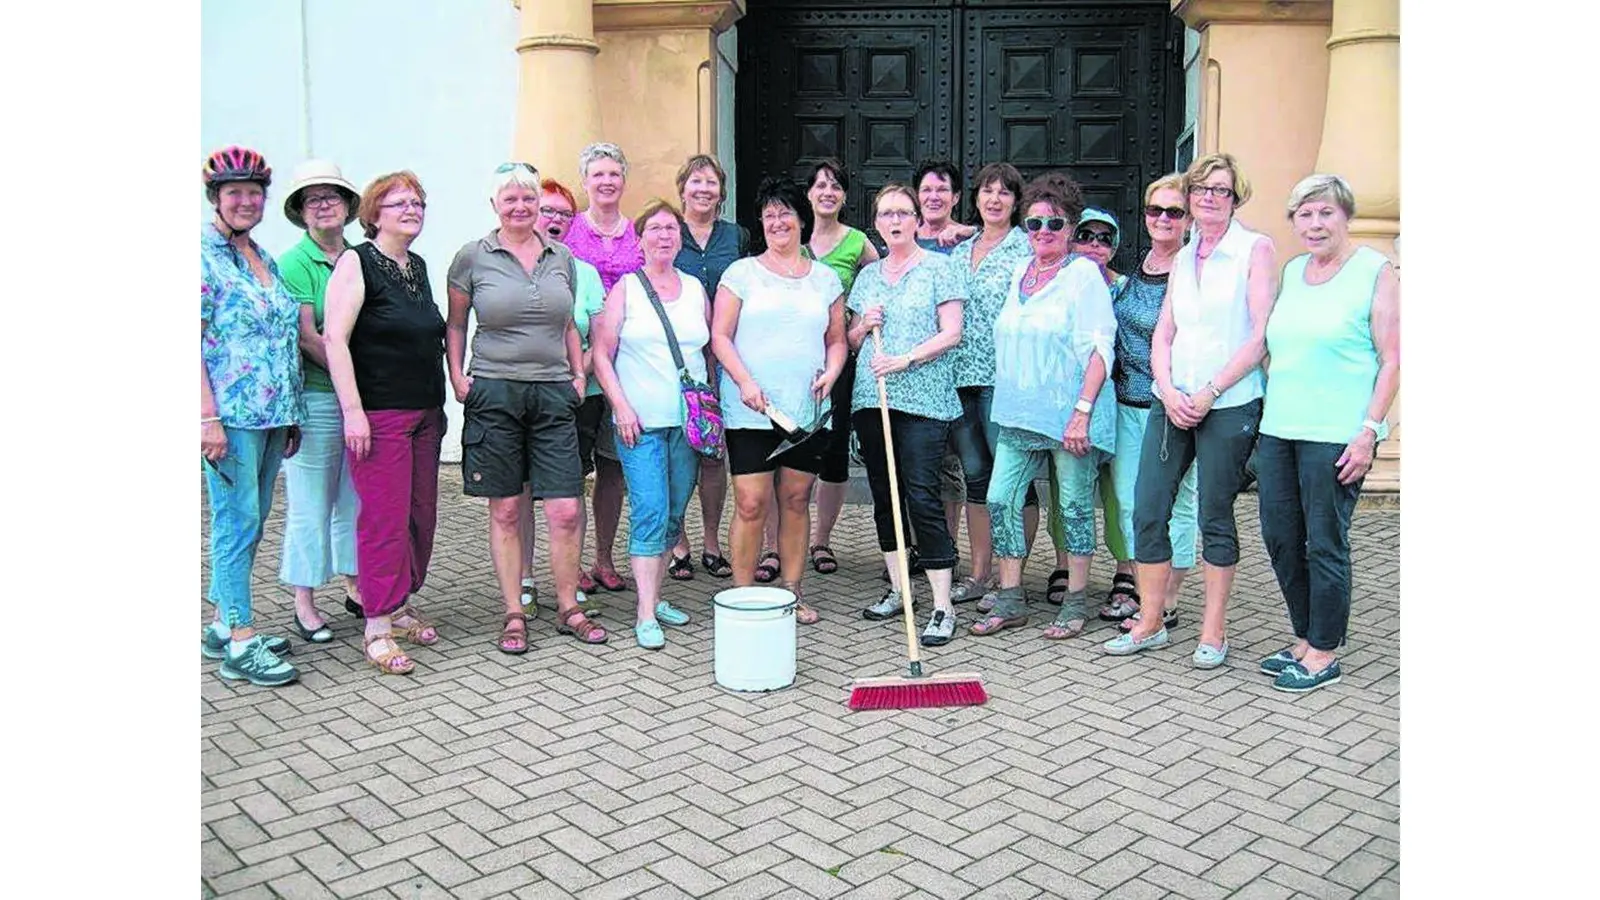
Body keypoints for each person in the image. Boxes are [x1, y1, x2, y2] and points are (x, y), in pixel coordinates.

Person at [1102, 153, 1276, 668]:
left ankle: (1213, 630)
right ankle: (1150, 621)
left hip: (1228, 403)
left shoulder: (1254, 250)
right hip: (1170, 400)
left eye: (1220, 190)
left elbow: (1260, 335)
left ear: (1235, 196)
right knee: (1148, 508)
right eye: (1201, 190)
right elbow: (1165, 332)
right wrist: (1168, 387)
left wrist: (1209, 392)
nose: (1209, 199)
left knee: (1214, 515)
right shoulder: (1184, 256)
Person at [446, 162, 607, 655]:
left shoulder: (561, 258)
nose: (520, 206)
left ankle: (568, 606)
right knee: (509, 508)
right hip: (495, 391)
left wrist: (578, 374)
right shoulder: (472, 257)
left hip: (553, 392)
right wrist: (457, 375)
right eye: (510, 199)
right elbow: (455, 324)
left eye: (528, 199)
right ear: (494, 204)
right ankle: (514, 611)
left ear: (539, 205)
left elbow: (567, 324)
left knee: (564, 507)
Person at [1256, 174, 1399, 692]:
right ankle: (1304, 634)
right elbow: (1273, 344)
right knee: (1279, 536)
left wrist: (1368, 431)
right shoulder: (1294, 272)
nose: (1315, 224)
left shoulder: (1374, 271)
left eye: (1325, 213)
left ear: (1345, 216)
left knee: (1325, 542)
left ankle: (1324, 650)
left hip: (1337, 433)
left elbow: (1392, 358)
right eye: (1305, 214)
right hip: (1280, 429)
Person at [970, 174, 1116, 639]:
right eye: (1034, 223)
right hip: (1019, 410)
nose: (1044, 231)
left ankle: (1075, 601)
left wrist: (1083, 410)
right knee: (1000, 498)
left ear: (1071, 226)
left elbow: (1100, 348)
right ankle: (1011, 597)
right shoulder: (1020, 272)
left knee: (1072, 506)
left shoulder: (1082, 276)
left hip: (1068, 413)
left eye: (1055, 223)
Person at [323, 171, 448, 676]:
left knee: (421, 515)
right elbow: (334, 339)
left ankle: (400, 603)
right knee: (384, 519)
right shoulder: (357, 262)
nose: (411, 209)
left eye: (418, 202)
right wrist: (353, 411)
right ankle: (376, 623)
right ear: (374, 213)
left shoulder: (415, 265)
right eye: (399, 202)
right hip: (380, 415)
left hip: (426, 413)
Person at [712, 177, 847, 625]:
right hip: (750, 408)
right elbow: (720, 336)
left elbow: (836, 340)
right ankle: (743, 595)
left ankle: (792, 590)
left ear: (801, 220)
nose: (776, 222)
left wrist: (832, 370)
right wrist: (745, 382)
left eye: (784, 213)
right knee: (750, 502)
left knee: (795, 498)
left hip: (805, 411)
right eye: (768, 216)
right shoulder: (741, 273)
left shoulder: (825, 280)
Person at [200, 146, 305, 686]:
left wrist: (291, 414)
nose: (245, 201)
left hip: (271, 414)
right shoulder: (200, 254)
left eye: (253, 192)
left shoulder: (259, 254)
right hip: (232, 417)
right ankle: (241, 642)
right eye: (234, 193)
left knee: (253, 519)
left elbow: (281, 334)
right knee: (235, 523)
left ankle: (222, 625)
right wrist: (204, 419)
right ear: (216, 198)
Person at [849, 184, 967, 646]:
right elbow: (854, 341)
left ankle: (942, 605)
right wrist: (863, 325)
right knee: (886, 497)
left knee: (921, 495)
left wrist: (906, 359)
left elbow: (952, 333)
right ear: (876, 224)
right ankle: (899, 590)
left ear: (917, 219)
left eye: (902, 213)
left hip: (924, 399)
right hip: (872, 398)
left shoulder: (941, 268)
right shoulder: (868, 278)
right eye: (885, 215)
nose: (894, 221)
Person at [590, 200, 709, 650]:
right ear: (639, 240)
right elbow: (602, 353)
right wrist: (620, 405)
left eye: (671, 228)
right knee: (651, 509)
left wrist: (712, 410)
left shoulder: (697, 288)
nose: (664, 235)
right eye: (654, 228)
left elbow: (708, 350)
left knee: (675, 514)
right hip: (638, 425)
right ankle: (644, 614)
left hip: (687, 425)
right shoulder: (626, 288)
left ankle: (656, 598)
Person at [1088, 182, 1200, 633]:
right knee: (1132, 502)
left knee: (1181, 501)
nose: (1164, 219)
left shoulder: (1193, 270)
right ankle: (1145, 592)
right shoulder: (1142, 267)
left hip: (1173, 405)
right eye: (1156, 210)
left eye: (1175, 212)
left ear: (1188, 220)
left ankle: (1168, 599)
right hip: (1128, 404)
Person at [276, 159, 363, 643]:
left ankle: (354, 585)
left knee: (354, 500)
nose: (325, 204)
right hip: (317, 398)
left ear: (349, 206)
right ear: (301, 211)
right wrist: (353, 376)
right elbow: (311, 337)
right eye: (313, 198)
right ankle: (304, 600)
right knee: (312, 503)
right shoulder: (294, 263)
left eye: (332, 195)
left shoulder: (356, 255)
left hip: (357, 399)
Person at [945, 162, 1038, 606]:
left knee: (1013, 479)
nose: (995, 199)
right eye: (987, 191)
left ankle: (1010, 575)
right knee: (977, 476)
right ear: (975, 198)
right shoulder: (961, 250)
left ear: (1016, 201)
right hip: (962, 376)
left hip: (1006, 380)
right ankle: (981, 574)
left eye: (1004, 192)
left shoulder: (1026, 248)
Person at [565, 142, 642, 594]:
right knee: (572, 472)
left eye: (614, 174)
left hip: (624, 370)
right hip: (578, 372)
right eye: (598, 175)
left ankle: (604, 557)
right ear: (585, 182)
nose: (607, 182)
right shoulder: (568, 234)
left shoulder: (638, 233)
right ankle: (569, 563)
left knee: (613, 469)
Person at [534, 178, 610, 612]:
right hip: (524, 393)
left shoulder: (586, 273)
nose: (556, 220)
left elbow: (598, 337)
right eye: (549, 211)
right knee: (522, 496)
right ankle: (525, 580)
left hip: (579, 395)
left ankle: (573, 572)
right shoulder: (506, 268)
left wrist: (576, 372)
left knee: (572, 489)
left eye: (565, 214)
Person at [669, 154, 745, 581]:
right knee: (678, 452)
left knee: (714, 454)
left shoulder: (735, 235)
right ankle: (678, 542)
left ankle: (712, 541)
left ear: (722, 190)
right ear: (682, 188)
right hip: (677, 356)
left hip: (723, 356)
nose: (703, 189)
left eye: (711, 182)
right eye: (695, 181)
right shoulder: (664, 229)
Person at [804, 158, 880, 576]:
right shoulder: (793, 239)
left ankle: (821, 541)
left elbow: (883, 280)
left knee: (833, 453)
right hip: (794, 360)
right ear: (809, 193)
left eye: (835, 185)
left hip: (841, 360)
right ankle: (777, 543)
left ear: (844, 195)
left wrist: (858, 326)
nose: (827, 192)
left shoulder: (857, 242)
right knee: (789, 448)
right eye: (820, 185)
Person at [912, 159, 974, 572]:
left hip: (954, 372)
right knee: (916, 470)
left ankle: (945, 549)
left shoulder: (963, 243)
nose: (934, 197)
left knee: (950, 469)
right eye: (927, 189)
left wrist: (973, 230)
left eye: (942, 190)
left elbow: (1007, 235)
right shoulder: (900, 238)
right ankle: (916, 547)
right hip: (909, 372)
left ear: (954, 198)